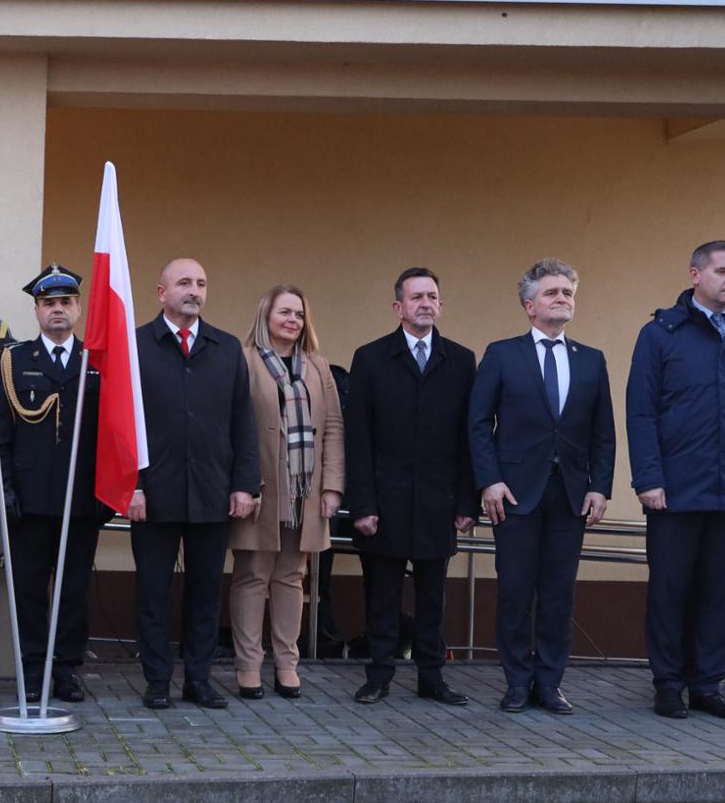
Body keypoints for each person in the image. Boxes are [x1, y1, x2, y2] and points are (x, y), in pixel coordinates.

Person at [627, 239, 725, 721]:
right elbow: (641, 413)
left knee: (723, 591)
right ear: (695, 275)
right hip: (675, 491)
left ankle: (707, 684)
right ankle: (668, 682)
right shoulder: (661, 333)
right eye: (722, 270)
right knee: (671, 589)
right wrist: (648, 479)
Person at [468, 258, 616, 714]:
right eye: (552, 293)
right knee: (514, 591)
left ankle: (549, 683)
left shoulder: (590, 360)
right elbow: (477, 422)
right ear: (530, 306)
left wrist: (600, 486)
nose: (562, 299)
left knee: (558, 593)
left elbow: (603, 432)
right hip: (515, 493)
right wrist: (489, 481)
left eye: (568, 293)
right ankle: (516, 681)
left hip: (569, 494)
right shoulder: (502, 354)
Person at [128, 258, 260, 710]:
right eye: (184, 282)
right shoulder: (136, 346)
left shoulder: (225, 348)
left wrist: (245, 485)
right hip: (154, 492)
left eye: (201, 283)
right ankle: (158, 679)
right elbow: (120, 425)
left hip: (211, 490)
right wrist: (133, 485)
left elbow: (243, 421)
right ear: (161, 292)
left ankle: (199, 679)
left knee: (205, 592)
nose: (194, 290)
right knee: (152, 591)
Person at [345, 266, 478, 707]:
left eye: (432, 296)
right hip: (384, 500)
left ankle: (431, 677)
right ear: (398, 307)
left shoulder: (460, 360)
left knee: (432, 598)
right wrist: (361, 503)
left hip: (439, 502)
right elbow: (357, 437)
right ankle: (378, 675)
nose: (426, 303)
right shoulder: (371, 357)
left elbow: (467, 438)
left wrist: (466, 500)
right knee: (381, 595)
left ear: (440, 304)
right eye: (416, 296)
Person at [0, 264, 110, 704]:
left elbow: (113, 435)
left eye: (65, 302)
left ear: (78, 308)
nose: (57, 310)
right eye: (49, 304)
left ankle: (65, 668)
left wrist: (107, 494)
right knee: (28, 588)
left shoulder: (99, 360)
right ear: (37, 311)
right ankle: (30, 666)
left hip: (81, 500)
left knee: (73, 588)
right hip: (29, 500)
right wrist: (4, 489)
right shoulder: (12, 361)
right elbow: (0, 435)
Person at [226, 285, 342, 701]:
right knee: (253, 576)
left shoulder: (318, 367)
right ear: (266, 316)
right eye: (284, 313)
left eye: (298, 314)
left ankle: (287, 664)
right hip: (261, 490)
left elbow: (332, 429)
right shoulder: (245, 362)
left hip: (304, 492)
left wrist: (332, 486)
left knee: (292, 577)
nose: (292, 321)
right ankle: (248, 665)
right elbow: (235, 427)